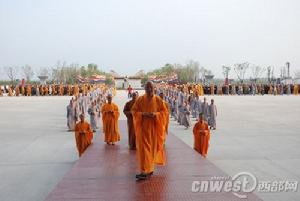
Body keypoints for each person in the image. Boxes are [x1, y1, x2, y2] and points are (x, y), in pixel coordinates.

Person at [131, 81, 168, 180]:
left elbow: (164, 112)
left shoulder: (158, 100)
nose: (149, 89)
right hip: (143, 129)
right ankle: (144, 171)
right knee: (144, 150)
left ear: (154, 88)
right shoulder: (140, 99)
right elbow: (134, 111)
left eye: (151, 87)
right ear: (145, 89)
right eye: (147, 87)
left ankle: (149, 169)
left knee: (151, 150)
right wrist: (142, 114)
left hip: (154, 129)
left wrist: (155, 115)